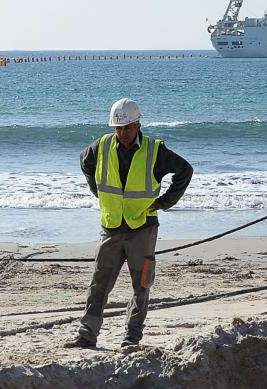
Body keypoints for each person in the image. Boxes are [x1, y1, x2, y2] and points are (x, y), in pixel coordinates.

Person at [65, 98, 192, 350]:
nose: (122, 133)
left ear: (138, 125)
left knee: (141, 286)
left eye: (127, 127)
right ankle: (87, 334)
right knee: (99, 284)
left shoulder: (155, 151)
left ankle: (131, 338)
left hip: (142, 229)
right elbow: (84, 162)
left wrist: (164, 202)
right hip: (111, 228)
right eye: (118, 128)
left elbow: (184, 171)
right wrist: (97, 191)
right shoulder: (101, 146)